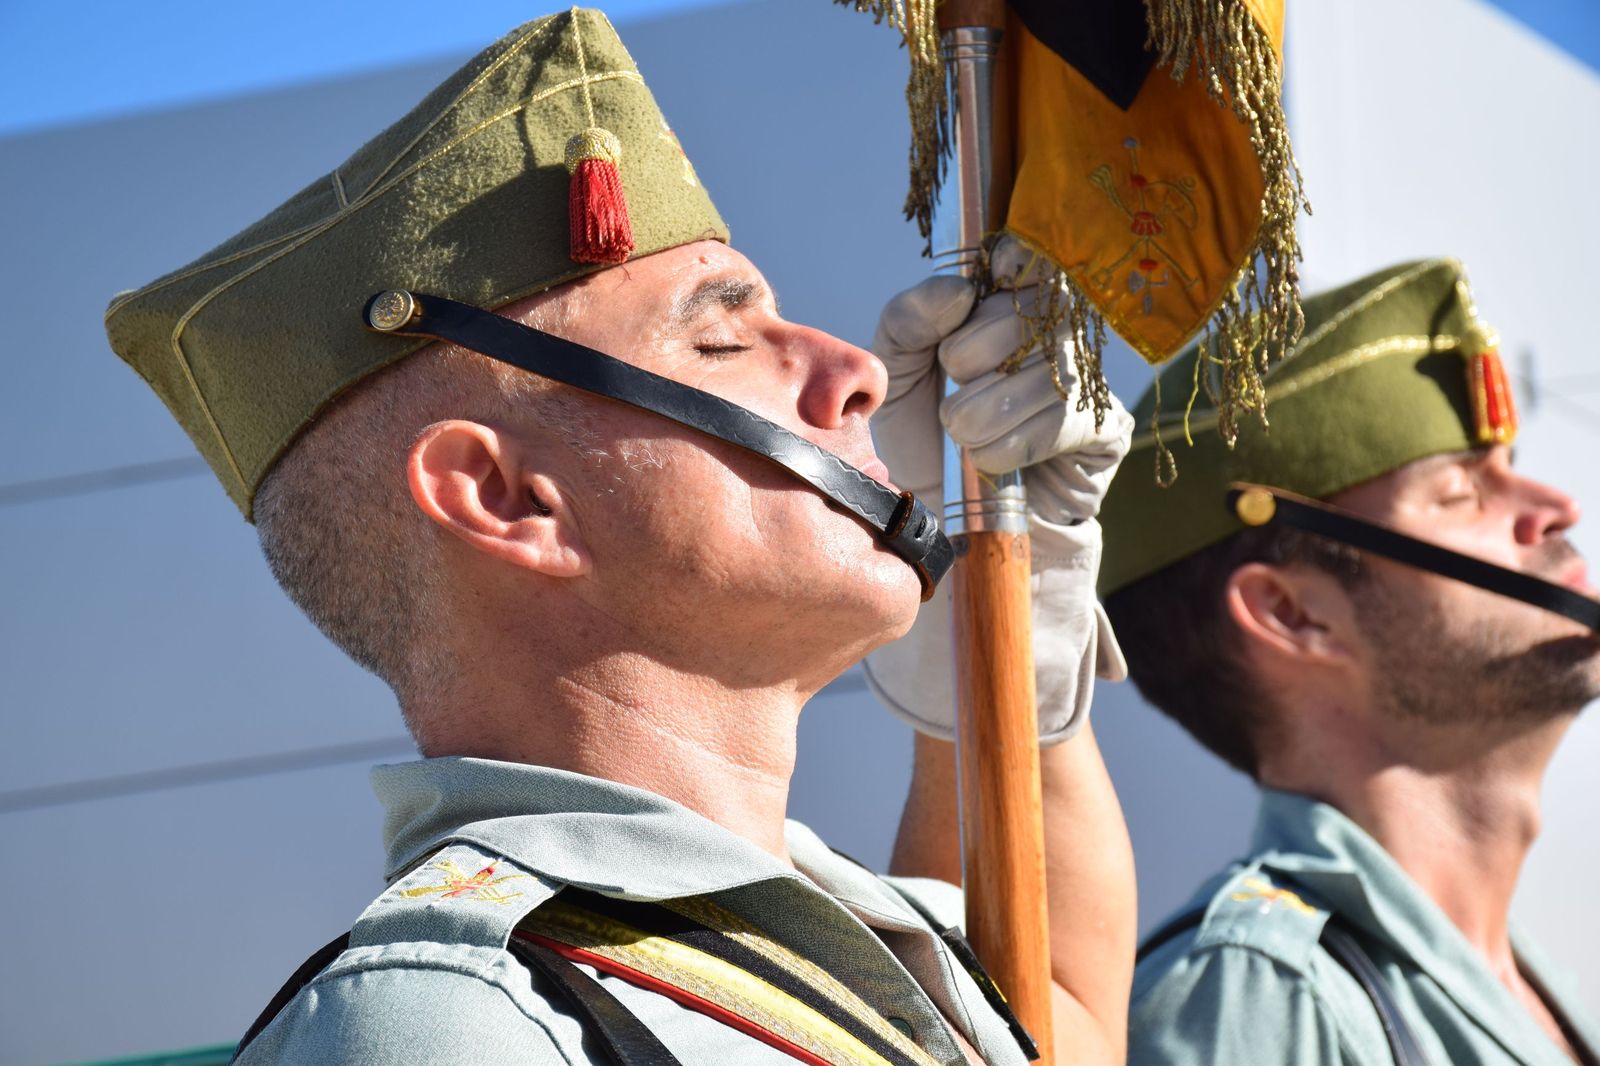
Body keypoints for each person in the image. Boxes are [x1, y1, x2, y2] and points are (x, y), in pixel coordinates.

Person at [105, 9, 1134, 1064]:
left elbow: (1056, 1020)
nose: (854, 371)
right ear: (506, 497)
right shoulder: (455, 1024)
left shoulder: (824, 937)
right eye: (721, 338)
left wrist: (1003, 594)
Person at [1095, 259, 1600, 1063]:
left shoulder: (1537, 989)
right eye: (1461, 494)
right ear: (1293, 616)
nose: (1553, 509)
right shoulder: (1256, 1003)